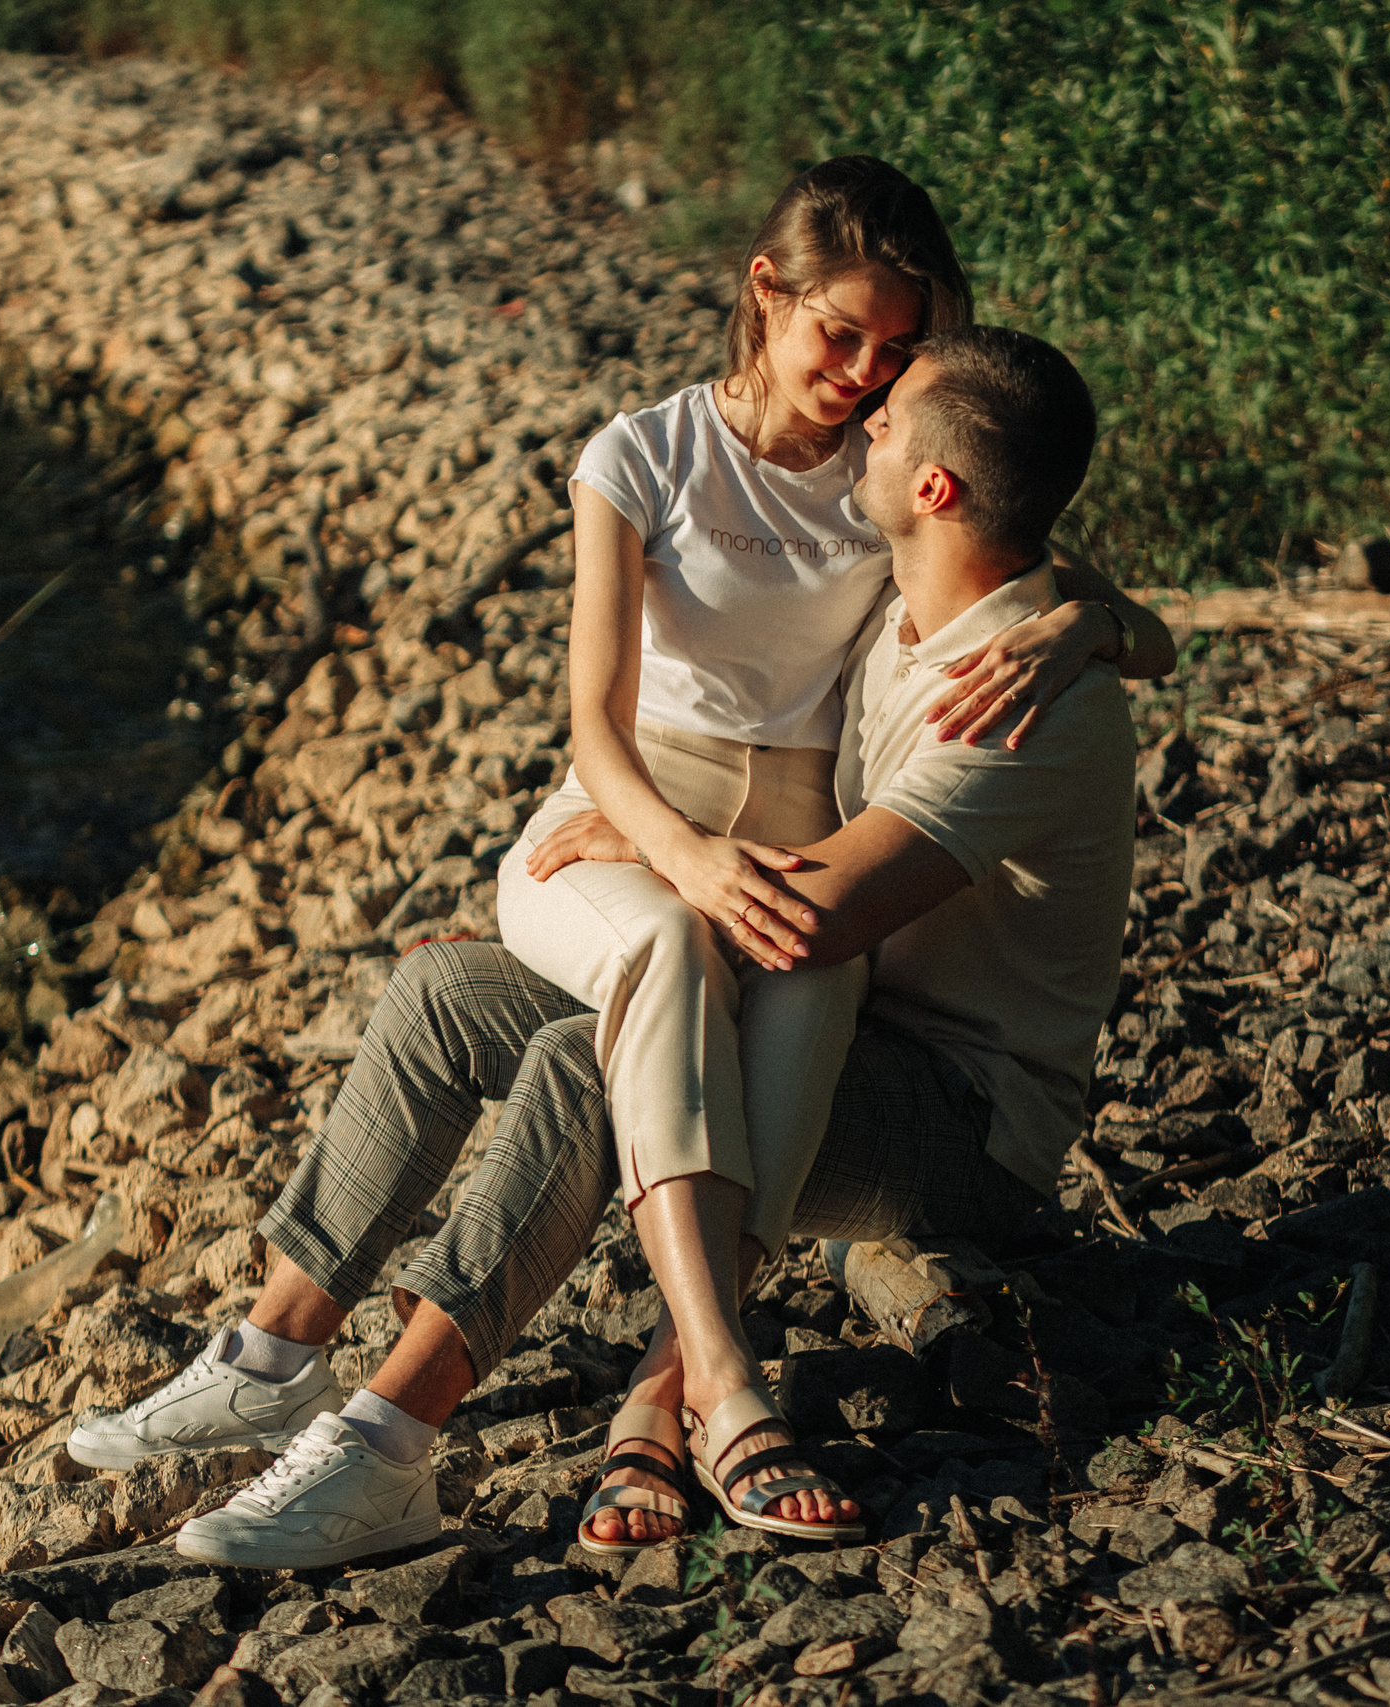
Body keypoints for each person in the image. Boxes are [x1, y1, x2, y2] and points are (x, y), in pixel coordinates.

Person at [67, 323, 1138, 1570]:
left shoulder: (1020, 695)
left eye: (888, 420)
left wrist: (646, 835)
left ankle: (388, 1449)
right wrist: (1106, 620)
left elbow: (813, 917)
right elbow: (1076, 589)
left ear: (936, 490)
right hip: (825, 1027)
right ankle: (269, 1353)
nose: (863, 424)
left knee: (591, 1057)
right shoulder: (922, 609)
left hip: (960, 1114)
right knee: (446, 992)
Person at [494, 156, 1164, 1546]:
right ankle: (332, 1374)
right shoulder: (781, 529)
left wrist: (1096, 625)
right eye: (843, 337)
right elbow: (599, 719)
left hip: (946, 1078)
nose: (862, 386)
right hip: (802, 942)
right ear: (768, 293)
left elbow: (1025, 549)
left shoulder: (991, 652)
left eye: (896, 362)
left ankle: (639, 1405)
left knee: (619, 1038)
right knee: (597, 996)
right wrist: (649, 843)